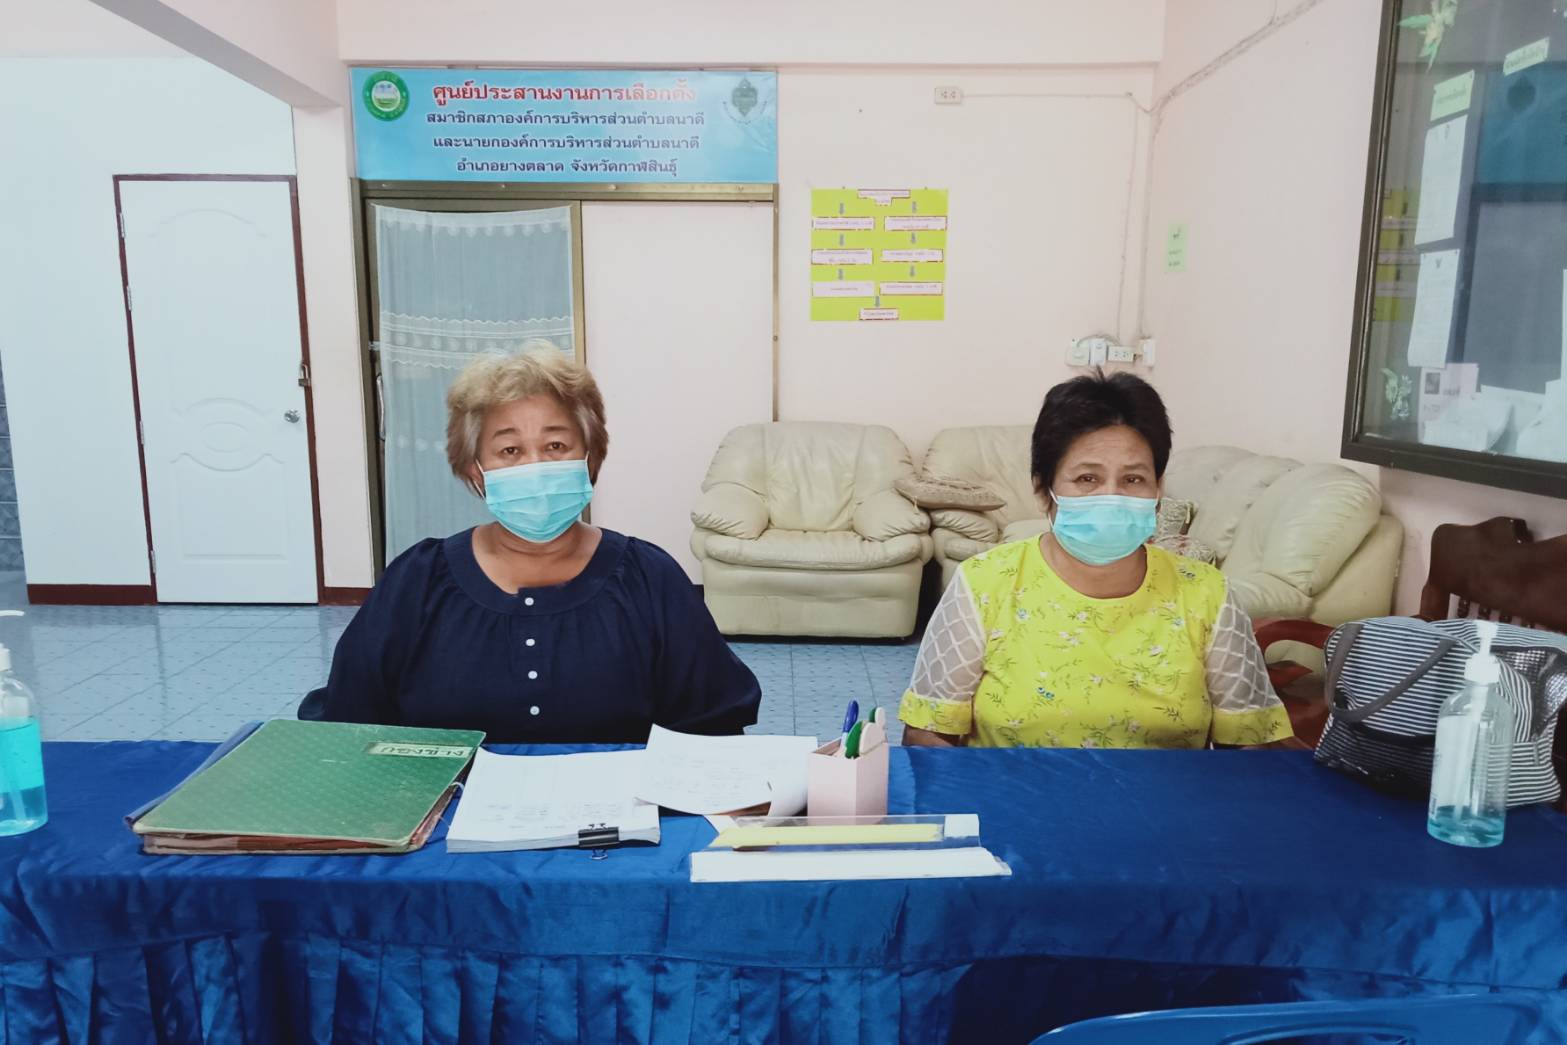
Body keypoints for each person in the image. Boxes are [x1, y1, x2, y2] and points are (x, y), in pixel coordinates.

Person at [299, 346, 760, 743]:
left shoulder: (649, 579)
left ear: (589, 455)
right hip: (446, 815)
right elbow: (350, 724)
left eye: (556, 446)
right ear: (475, 469)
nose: (535, 465)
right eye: (510, 450)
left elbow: (712, 730)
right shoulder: (418, 581)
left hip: (618, 818)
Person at [899, 370, 1295, 750]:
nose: (1112, 497)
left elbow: (1250, 743)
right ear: (1043, 491)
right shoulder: (984, 584)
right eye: (1087, 479)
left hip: (1164, 797)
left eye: (1133, 479)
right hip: (1013, 796)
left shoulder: (1207, 594)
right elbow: (928, 736)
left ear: (1159, 490)